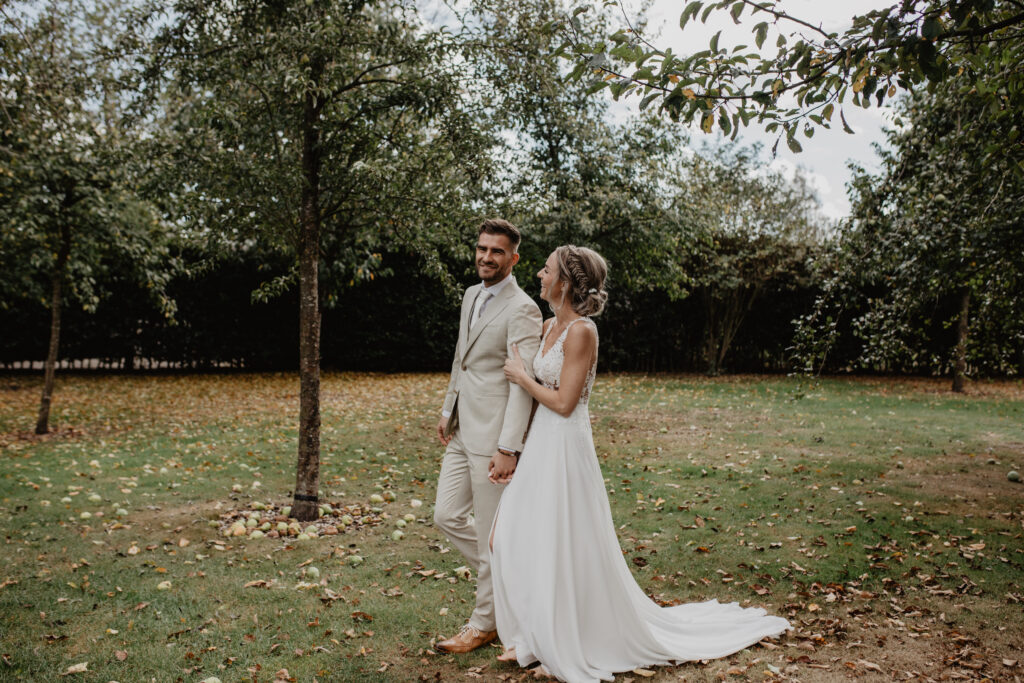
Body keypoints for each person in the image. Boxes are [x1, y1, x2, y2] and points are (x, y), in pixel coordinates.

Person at [491, 245, 790, 681]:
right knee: (511, 534)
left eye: (547, 269)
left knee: (561, 542)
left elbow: (564, 401)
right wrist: (514, 447)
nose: (539, 273)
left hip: (567, 446)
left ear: (567, 282)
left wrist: (522, 377)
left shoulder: (582, 332)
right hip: (540, 445)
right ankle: (535, 633)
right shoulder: (547, 324)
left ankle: (561, 640)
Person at [432, 218, 544, 654]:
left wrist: (508, 447)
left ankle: (484, 622)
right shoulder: (470, 295)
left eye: (497, 251)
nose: (486, 257)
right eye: (482, 248)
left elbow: (522, 382)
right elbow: (462, 358)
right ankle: (509, 574)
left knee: (489, 533)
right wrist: (447, 408)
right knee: (446, 516)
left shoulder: (523, 308)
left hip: (494, 437)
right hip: (462, 427)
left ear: (514, 258)